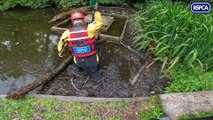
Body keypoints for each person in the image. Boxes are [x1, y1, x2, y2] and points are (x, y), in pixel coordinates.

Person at [57, 10, 103, 81]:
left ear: (72, 21)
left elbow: (61, 44)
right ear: (83, 20)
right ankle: (98, 80)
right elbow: (99, 22)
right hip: (92, 61)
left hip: (78, 61)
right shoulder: (90, 28)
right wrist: (97, 12)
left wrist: (61, 52)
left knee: (77, 65)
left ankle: (79, 73)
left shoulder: (67, 33)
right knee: (95, 72)